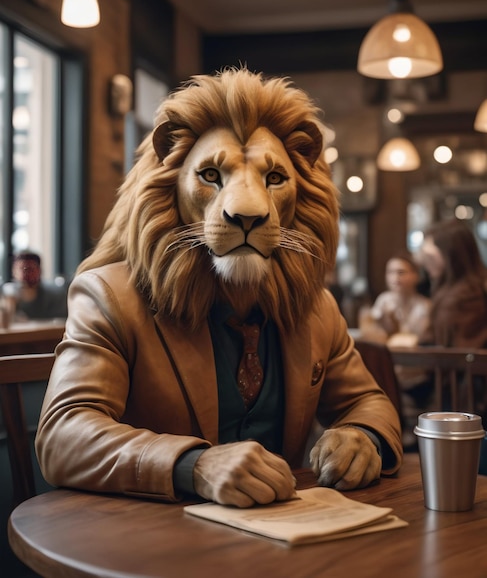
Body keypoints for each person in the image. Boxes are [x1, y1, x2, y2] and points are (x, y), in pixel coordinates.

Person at [35, 68, 402, 508]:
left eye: (274, 178)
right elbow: (63, 434)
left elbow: (367, 401)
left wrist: (362, 436)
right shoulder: (108, 298)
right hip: (151, 545)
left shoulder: (317, 308)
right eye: (211, 174)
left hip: (282, 539)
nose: (246, 207)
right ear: (169, 187)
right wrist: (193, 466)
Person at [362, 253, 432, 449]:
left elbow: (422, 338)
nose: (395, 277)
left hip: (416, 377)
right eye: (391, 272)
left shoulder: (424, 305)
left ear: (415, 276)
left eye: (401, 272)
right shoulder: (384, 301)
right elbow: (373, 333)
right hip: (388, 374)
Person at [417, 219, 487, 349]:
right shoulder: (451, 289)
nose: (425, 263)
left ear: (451, 255)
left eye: (431, 257)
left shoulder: (468, 295)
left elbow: (461, 353)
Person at [4, 251, 67, 320]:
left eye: (29, 269)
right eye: (20, 269)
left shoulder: (55, 295)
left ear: (39, 270)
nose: (24, 274)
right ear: (13, 271)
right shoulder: (8, 294)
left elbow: (60, 321)